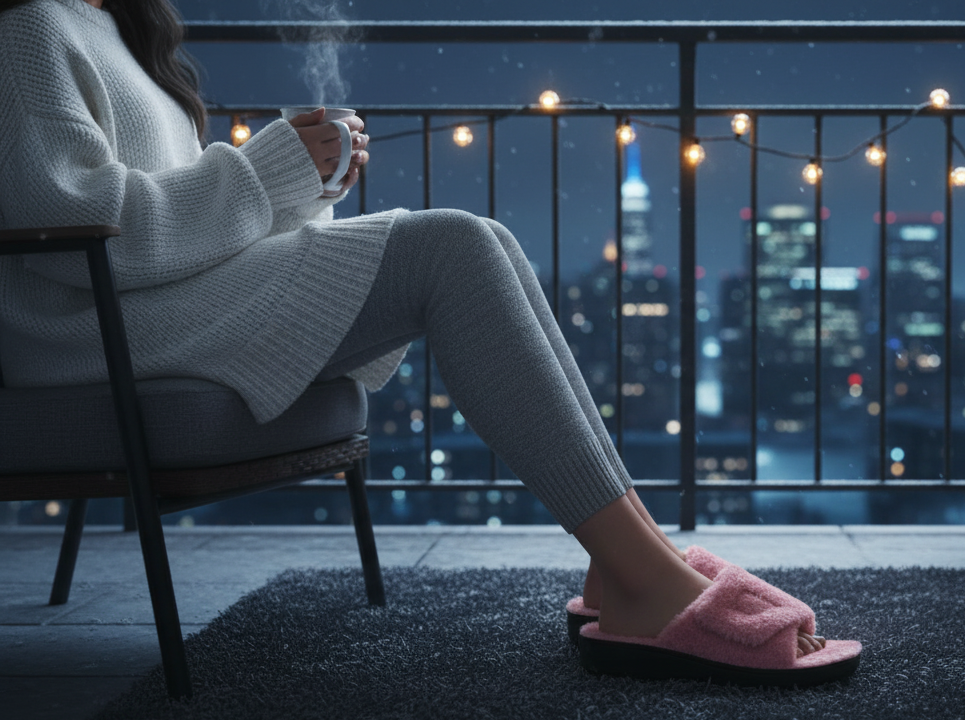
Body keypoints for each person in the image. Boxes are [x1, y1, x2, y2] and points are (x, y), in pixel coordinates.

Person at [0, 0, 859, 684]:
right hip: (97, 331)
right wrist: (265, 172)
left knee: (484, 240)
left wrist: (304, 183)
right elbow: (84, 225)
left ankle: (638, 562)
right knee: (450, 244)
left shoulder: (112, 22)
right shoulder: (29, 25)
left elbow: (190, 225)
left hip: (167, 306)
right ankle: (639, 577)